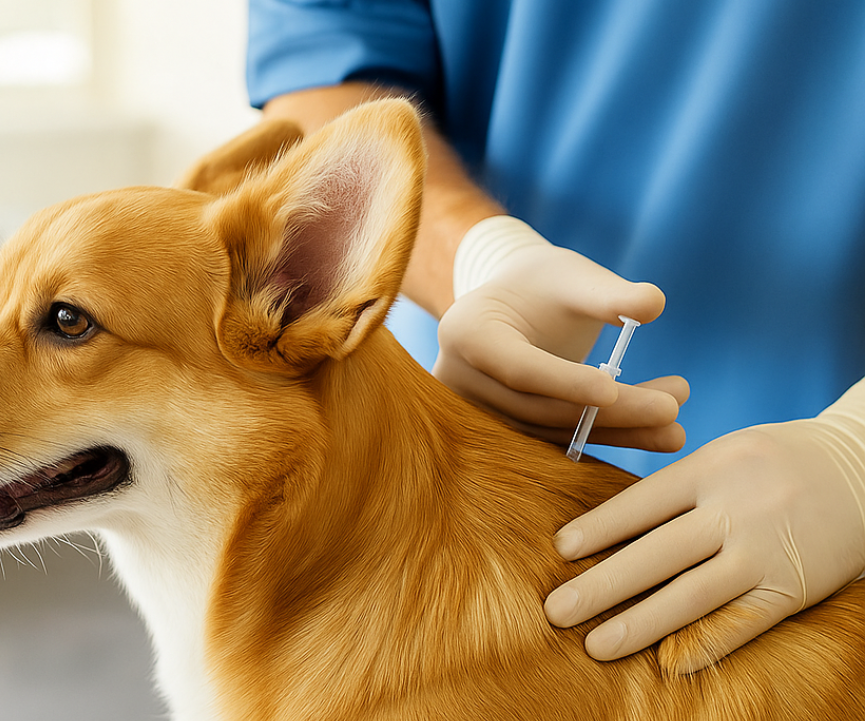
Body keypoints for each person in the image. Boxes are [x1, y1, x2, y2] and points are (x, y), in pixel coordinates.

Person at [246, 0, 865, 675]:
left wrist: (852, 454)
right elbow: (327, 75)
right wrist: (481, 258)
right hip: (482, 464)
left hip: (830, 547)